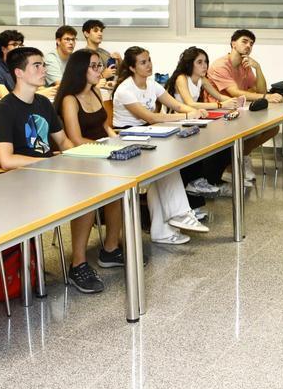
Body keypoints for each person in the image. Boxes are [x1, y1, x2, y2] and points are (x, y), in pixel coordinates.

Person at [0, 47, 105, 293]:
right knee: (81, 191)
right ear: (19, 73)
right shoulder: (5, 109)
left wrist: (84, 157)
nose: (44, 70)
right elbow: (6, 159)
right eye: (37, 66)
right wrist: (47, 164)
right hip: (20, 181)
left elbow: (63, 142)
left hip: (47, 173)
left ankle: (78, 264)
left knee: (88, 189)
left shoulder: (43, 103)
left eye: (44, 64)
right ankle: (78, 263)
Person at [113, 46, 211, 245]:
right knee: (166, 166)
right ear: (132, 68)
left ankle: (162, 231)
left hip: (146, 134)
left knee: (165, 169)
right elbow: (149, 116)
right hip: (125, 138)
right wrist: (185, 115)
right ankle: (180, 213)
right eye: (143, 62)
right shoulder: (125, 89)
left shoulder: (151, 85)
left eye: (149, 60)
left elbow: (176, 104)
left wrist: (191, 111)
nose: (149, 65)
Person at [54, 49, 127, 274]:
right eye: (94, 67)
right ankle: (78, 262)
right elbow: (75, 139)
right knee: (88, 200)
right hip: (80, 159)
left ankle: (111, 248)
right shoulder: (69, 100)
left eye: (99, 66)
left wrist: (120, 142)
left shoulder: (96, 93)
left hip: (101, 155)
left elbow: (105, 126)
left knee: (119, 192)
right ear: (80, 70)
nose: (100, 71)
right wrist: (107, 149)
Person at [207, 29, 283, 183]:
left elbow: (261, 89)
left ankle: (240, 158)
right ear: (233, 43)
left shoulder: (245, 65)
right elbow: (235, 92)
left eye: (251, 43)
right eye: (244, 41)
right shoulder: (220, 65)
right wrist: (266, 97)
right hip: (219, 111)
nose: (248, 46)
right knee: (253, 131)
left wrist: (258, 68)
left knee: (273, 128)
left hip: (239, 110)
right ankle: (232, 166)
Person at [166, 46, 240, 196]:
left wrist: (236, 102)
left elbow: (220, 96)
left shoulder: (201, 79)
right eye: (199, 62)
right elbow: (189, 104)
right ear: (189, 63)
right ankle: (196, 182)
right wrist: (221, 105)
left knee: (223, 144)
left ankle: (206, 179)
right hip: (179, 122)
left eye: (205, 61)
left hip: (195, 120)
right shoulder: (182, 78)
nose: (204, 65)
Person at [82, 19, 120, 93]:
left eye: (101, 31)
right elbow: (82, 81)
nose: (100, 34)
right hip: (94, 93)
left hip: (109, 90)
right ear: (86, 34)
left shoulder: (104, 53)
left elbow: (117, 72)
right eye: (96, 31)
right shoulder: (83, 55)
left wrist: (119, 60)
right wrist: (102, 76)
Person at [0, 29, 25, 99]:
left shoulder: (25, 66)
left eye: (21, 44)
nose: (19, 48)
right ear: (3, 49)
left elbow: (39, 87)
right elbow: (7, 99)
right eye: (14, 44)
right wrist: (37, 94)